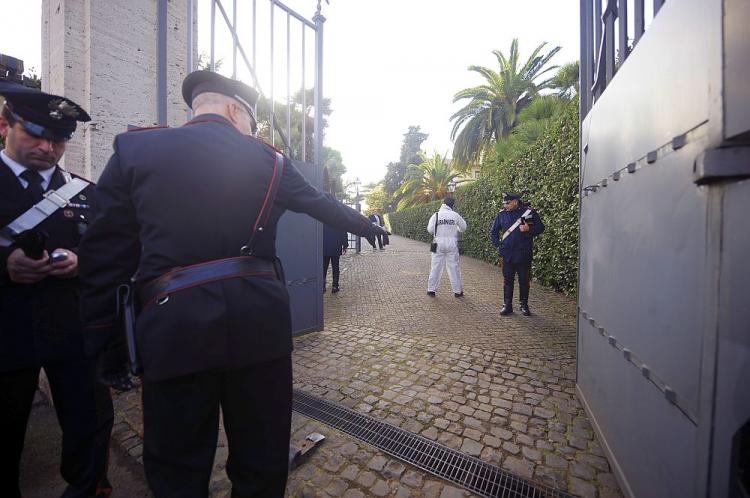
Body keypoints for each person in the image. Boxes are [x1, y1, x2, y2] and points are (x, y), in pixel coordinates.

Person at [76, 70, 387, 498]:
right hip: (258, 326)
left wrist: (104, 340)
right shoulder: (270, 161)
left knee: (176, 466)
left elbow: (103, 254)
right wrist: (366, 224)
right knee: (262, 458)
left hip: (172, 330)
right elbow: (322, 205)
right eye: (251, 124)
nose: (250, 132)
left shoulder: (136, 148)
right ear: (234, 109)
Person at [0, 82, 114, 497]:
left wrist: (82, 262)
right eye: (36, 134)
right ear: (5, 125)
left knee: (89, 424)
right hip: (7, 336)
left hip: (72, 332)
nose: (48, 149)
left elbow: (111, 252)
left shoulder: (87, 194)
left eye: (59, 140)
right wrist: (5, 266)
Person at [489, 192, 545, 316]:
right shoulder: (502, 214)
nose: (505, 205)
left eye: (507, 202)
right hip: (507, 253)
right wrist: (498, 245)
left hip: (523, 253)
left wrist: (528, 229)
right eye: (503, 202)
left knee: (524, 281)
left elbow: (541, 228)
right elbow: (493, 231)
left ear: (515, 201)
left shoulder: (527, 213)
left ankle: (524, 305)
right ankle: (507, 305)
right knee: (507, 280)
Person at [426, 197, 467, 298]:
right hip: (452, 243)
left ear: (443, 204)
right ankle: (457, 291)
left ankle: (431, 290)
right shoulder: (455, 215)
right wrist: (455, 227)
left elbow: (430, 230)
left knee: (435, 266)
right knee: (454, 267)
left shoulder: (436, 215)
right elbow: (463, 228)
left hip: (437, 243)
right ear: (452, 205)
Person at [322, 221, 348, 293]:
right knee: (335, 267)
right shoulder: (338, 221)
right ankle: (335, 286)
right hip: (335, 247)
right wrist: (345, 245)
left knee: (323, 268)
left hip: (324, 247)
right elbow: (344, 233)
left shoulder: (321, 220)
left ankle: (322, 286)